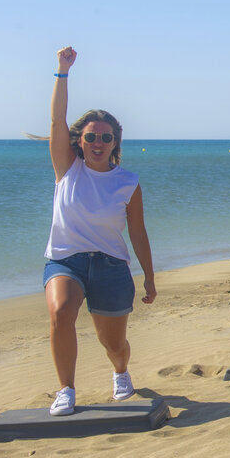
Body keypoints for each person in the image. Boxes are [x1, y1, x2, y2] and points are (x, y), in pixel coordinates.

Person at [43, 46, 156, 416]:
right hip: (66, 261)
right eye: (91, 137)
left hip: (111, 265)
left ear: (115, 143)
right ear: (80, 141)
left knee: (114, 343)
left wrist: (149, 276)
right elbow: (57, 121)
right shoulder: (67, 168)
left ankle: (121, 371)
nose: (98, 144)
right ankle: (66, 389)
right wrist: (63, 71)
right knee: (61, 312)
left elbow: (137, 233)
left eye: (106, 138)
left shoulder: (128, 182)